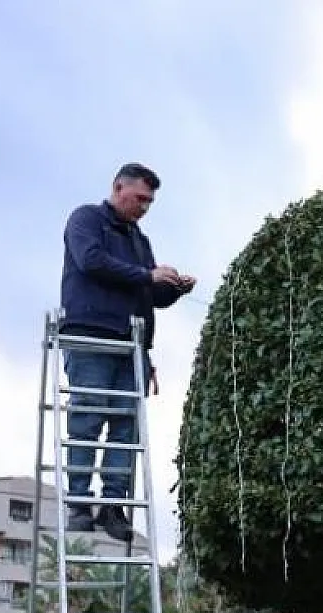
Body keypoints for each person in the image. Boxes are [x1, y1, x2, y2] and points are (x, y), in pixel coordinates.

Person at [59, 162, 196, 543]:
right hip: (92, 335)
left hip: (131, 343)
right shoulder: (86, 220)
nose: (144, 207)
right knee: (88, 416)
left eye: (150, 202)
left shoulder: (139, 241)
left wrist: (173, 287)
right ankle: (79, 504)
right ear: (119, 188)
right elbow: (92, 262)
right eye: (140, 199)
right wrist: (147, 275)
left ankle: (114, 506)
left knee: (125, 426)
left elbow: (146, 292)